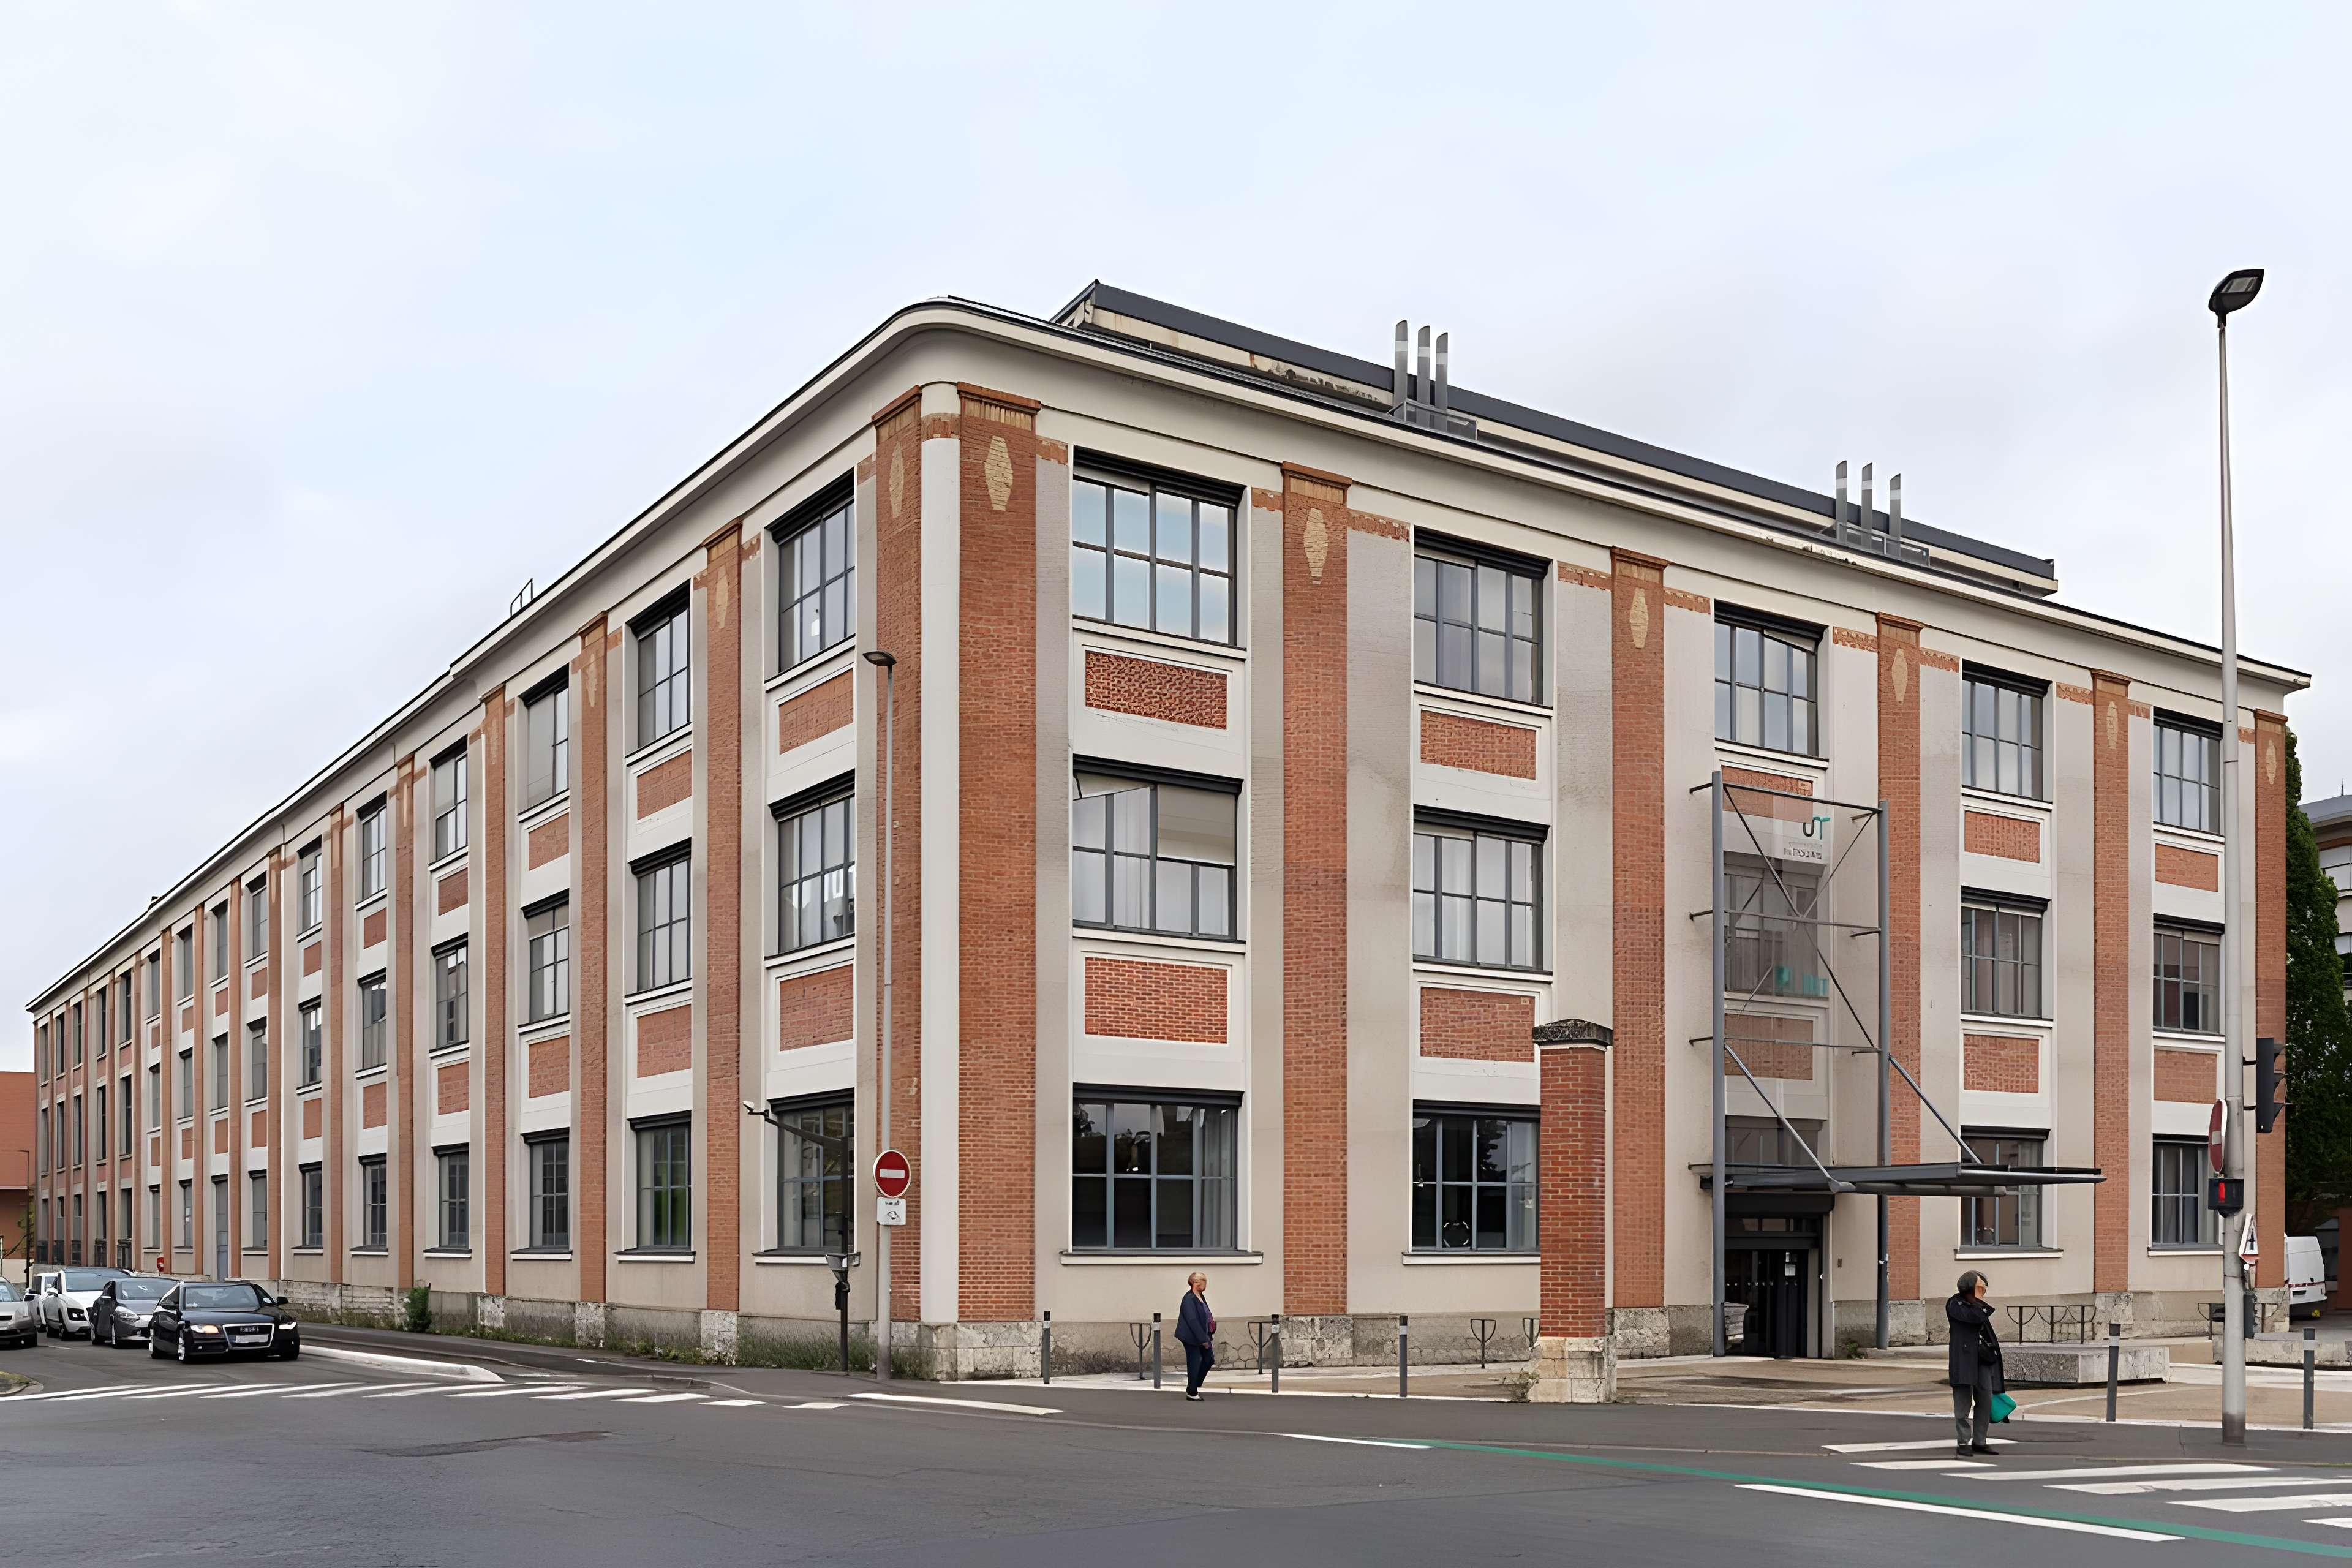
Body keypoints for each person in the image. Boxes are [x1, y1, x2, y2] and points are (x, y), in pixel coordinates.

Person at [1946, 1270, 2003, 1458]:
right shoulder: (1955, 1304)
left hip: (1982, 1360)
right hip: (1963, 1361)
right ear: (1970, 1287)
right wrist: (1977, 1299)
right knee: (1963, 1404)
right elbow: (1973, 1318)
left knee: (1985, 1400)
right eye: (1980, 1288)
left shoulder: (1977, 1306)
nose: (1984, 1291)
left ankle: (1980, 1441)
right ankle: (1963, 1442)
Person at [1175, 1272, 1216, 1400]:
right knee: (1195, 1362)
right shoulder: (1189, 1299)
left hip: (1203, 1335)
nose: (1205, 1284)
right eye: (1203, 1281)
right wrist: (1203, 1340)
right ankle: (1192, 1392)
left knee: (1209, 1359)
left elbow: (1205, 1314)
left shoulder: (1200, 1296)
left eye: (1205, 1281)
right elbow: (1192, 1320)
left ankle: (1195, 1383)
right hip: (1191, 1337)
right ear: (1195, 1282)